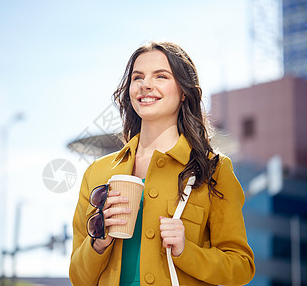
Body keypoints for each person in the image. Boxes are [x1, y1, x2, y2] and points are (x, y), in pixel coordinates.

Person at [69, 42, 255, 285]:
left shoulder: (213, 169)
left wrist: (186, 251)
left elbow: (241, 266)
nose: (146, 84)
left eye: (161, 76)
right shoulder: (97, 172)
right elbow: (78, 278)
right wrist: (99, 242)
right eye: (138, 77)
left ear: (184, 91)